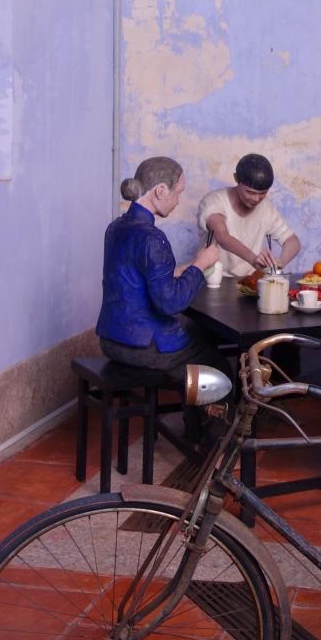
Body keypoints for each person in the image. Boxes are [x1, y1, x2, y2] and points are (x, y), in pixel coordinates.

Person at [96, 156, 233, 441]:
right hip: (143, 346)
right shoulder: (152, 238)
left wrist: (182, 270)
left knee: (196, 338)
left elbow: (136, 277)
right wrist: (200, 264)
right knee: (217, 366)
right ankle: (213, 448)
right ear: (160, 190)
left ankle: (194, 432)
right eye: (178, 192)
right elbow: (170, 303)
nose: (178, 200)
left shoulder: (116, 227)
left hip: (111, 339)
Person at [197, 153, 301, 278]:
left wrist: (279, 264)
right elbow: (222, 236)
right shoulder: (214, 201)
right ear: (236, 178)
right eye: (250, 192)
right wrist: (253, 259)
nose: (256, 199)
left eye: (263, 193)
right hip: (213, 279)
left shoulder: (267, 208)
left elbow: (292, 240)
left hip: (249, 281)